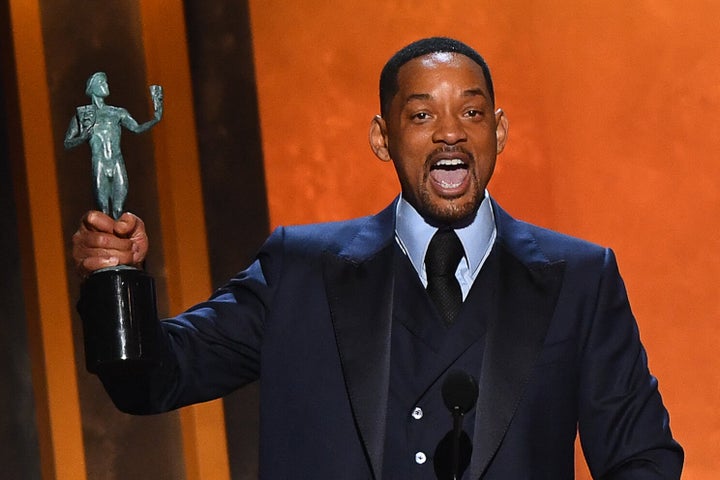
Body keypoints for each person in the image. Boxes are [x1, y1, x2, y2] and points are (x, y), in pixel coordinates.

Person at [72, 37, 683, 478]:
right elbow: (156, 377)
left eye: (470, 113)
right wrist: (114, 281)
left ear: (498, 133)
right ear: (381, 137)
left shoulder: (580, 277)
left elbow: (644, 458)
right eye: (421, 115)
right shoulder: (301, 270)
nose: (450, 133)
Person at [64, 72, 163, 219]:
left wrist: (156, 118)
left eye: (106, 82)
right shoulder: (83, 115)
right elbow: (67, 142)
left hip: (116, 161)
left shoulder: (117, 113)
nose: (106, 85)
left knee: (118, 209)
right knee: (104, 210)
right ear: (93, 88)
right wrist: (83, 137)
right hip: (99, 163)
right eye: (102, 83)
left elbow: (136, 128)